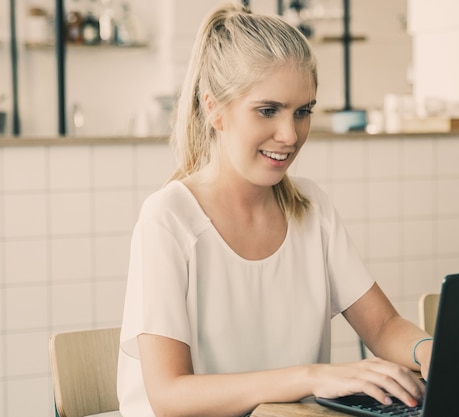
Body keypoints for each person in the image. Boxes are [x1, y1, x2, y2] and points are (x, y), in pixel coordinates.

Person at [117, 2, 433, 417]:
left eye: (303, 112)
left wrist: (436, 354)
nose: (290, 135)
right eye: (268, 110)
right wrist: (312, 377)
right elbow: (170, 396)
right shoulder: (169, 218)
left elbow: (383, 327)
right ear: (214, 108)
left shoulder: (312, 208)